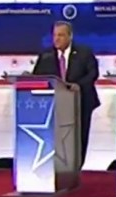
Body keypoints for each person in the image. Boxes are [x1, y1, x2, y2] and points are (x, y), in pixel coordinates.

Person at [31, 21, 100, 168]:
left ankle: (76, 167)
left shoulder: (84, 53)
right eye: (55, 35)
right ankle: (57, 166)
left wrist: (77, 86)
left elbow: (93, 74)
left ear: (70, 36)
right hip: (55, 104)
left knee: (79, 137)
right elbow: (38, 77)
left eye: (61, 35)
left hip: (81, 102)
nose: (56, 39)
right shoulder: (46, 55)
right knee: (57, 136)